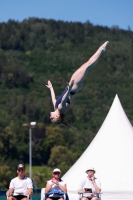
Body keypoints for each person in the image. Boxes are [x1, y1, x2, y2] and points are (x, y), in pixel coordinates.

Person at [46, 41, 109, 126]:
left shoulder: (56, 107)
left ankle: (101, 50)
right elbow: (64, 98)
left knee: (87, 64)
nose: (50, 117)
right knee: (88, 66)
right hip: (73, 87)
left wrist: (51, 87)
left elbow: (53, 99)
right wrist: (69, 88)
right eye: (52, 118)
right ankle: (101, 50)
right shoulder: (61, 109)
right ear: (57, 116)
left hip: (73, 87)